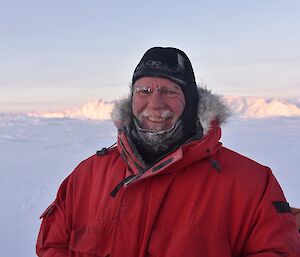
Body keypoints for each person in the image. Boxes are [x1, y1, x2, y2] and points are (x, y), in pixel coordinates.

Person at [36, 47, 300, 256]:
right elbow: (53, 245)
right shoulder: (86, 176)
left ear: (191, 102)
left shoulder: (251, 183)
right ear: (131, 98)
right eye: (144, 90)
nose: (154, 102)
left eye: (169, 91)